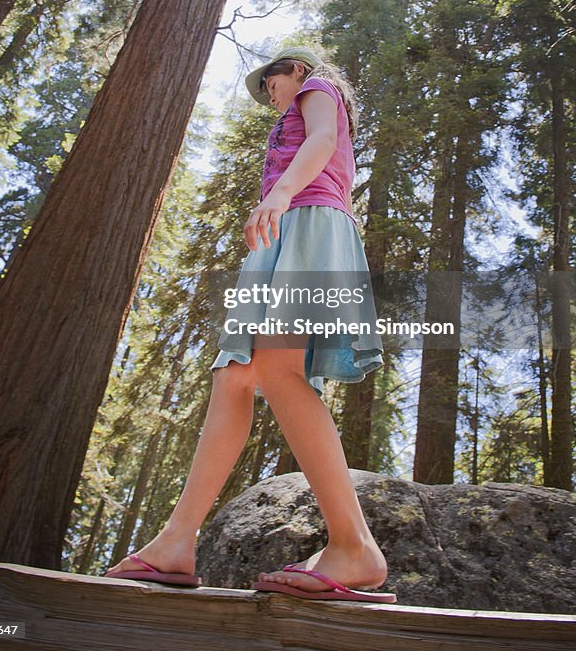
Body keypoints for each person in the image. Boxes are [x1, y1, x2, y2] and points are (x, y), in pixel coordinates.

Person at [105, 46, 395, 603]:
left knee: (279, 369)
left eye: (272, 80)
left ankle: (354, 545)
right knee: (234, 373)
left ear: (299, 71)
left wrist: (282, 193)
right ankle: (176, 541)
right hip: (283, 231)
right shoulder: (290, 109)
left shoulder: (317, 91)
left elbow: (322, 143)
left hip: (308, 222)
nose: (269, 92)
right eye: (264, 87)